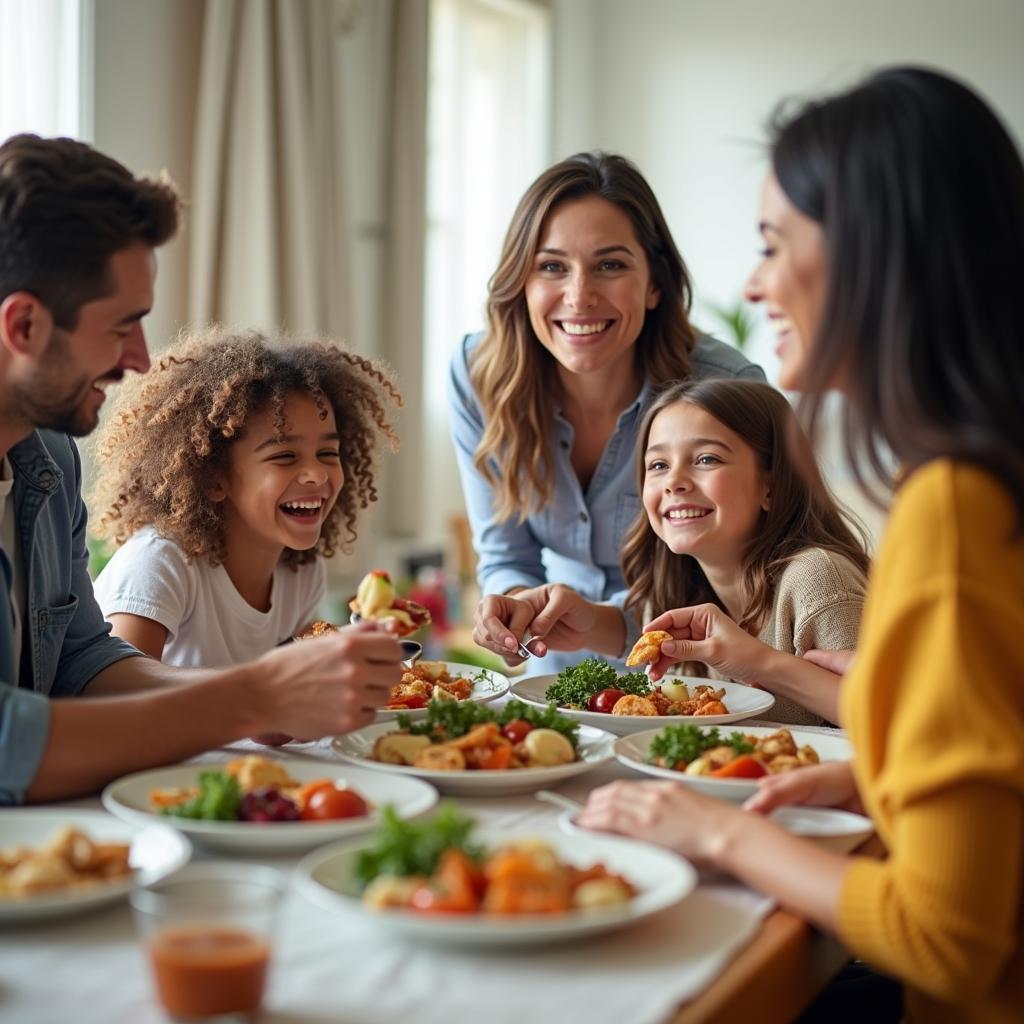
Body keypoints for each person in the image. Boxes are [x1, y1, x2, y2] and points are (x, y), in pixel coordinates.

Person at [578, 67, 1024, 1021]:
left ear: (874, 253)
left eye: (773, 243)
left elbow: (946, 938)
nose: (752, 283)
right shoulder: (979, 486)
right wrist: (877, 780)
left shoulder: (956, 515)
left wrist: (717, 831)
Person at [0, 134, 402, 805]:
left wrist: (272, 698)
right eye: (121, 325)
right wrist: (252, 696)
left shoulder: (50, 461)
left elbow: (84, 661)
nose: (139, 358)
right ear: (25, 327)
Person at [449, 151, 765, 674]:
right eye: (551, 266)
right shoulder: (477, 375)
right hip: (553, 672)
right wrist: (515, 605)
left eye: (610, 265)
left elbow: (748, 581)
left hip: (695, 677)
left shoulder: (727, 389)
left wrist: (606, 621)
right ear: (521, 282)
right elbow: (506, 556)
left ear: (656, 283)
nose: (579, 296)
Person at [476, 378, 869, 724]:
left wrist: (758, 662)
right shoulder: (683, 583)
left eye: (706, 459)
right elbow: (642, 631)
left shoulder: (818, 581)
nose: (674, 482)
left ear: (772, 485)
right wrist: (582, 622)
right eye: (658, 464)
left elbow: (888, 719)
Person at [90, 325, 400, 668]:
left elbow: (295, 661)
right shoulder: (160, 565)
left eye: (328, 453)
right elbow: (123, 696)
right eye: (284, 456)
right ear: (213, 478)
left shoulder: (302, 571)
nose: (317, 473)